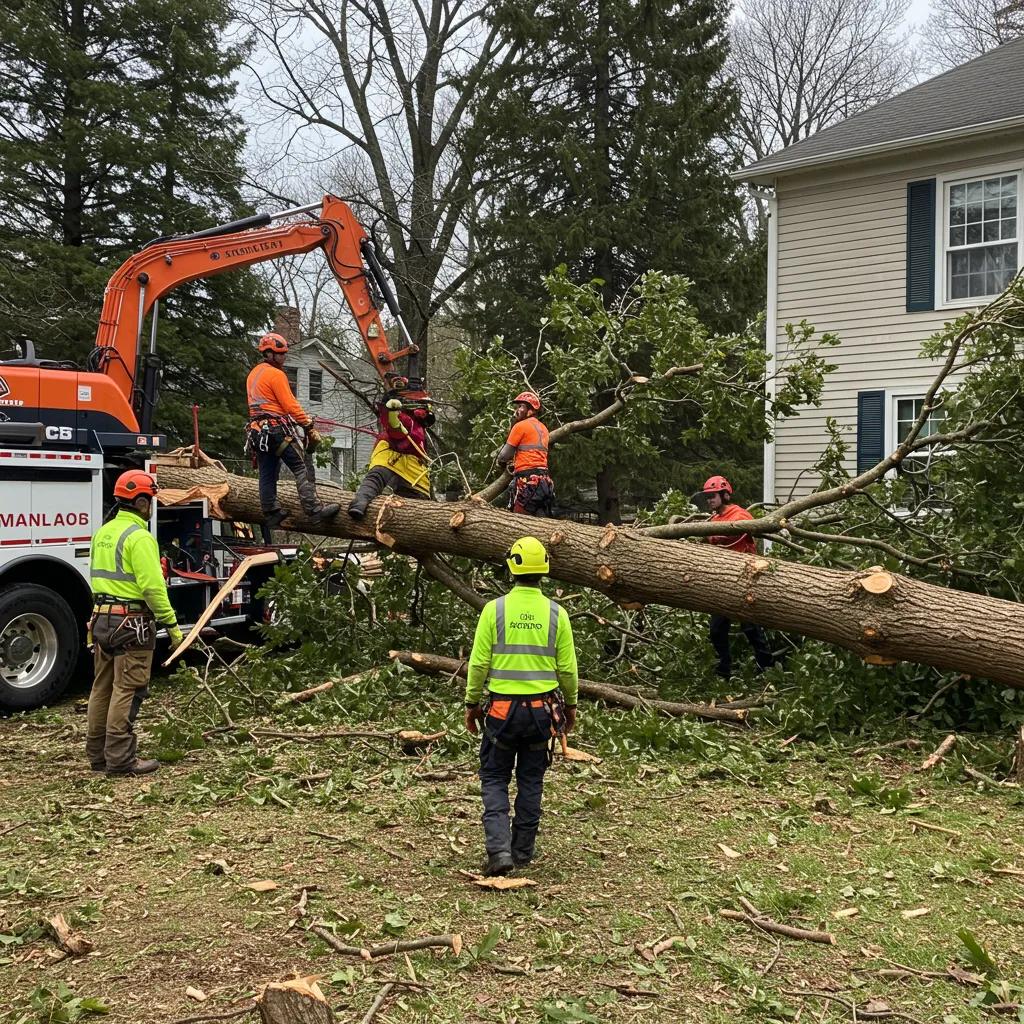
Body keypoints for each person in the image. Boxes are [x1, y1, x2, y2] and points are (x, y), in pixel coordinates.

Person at [464, 536, 579, 876]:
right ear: (544, 568)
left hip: (501, 711)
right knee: (531, 778)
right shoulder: (557, 614)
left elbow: (478, 663)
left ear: (512, 566)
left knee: (495, 777)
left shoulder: (494, 610)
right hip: (542, 711)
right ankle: (523, 850)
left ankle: (499, 851)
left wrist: (472, 702)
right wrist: (570, 706)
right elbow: (568, 669)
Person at [87, 470, 185, 776]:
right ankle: (120, 759)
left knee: (102, 687)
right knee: (127, 688)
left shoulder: (103, 533)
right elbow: (153, 588)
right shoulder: (139, 537)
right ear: (141, 502)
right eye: (151, 500)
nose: (152, 506)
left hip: (102, 618)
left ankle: (97, 754)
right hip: (132, 623)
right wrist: (172, 626)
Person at [245, 332, 340, 532]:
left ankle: (271, 513)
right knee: (301, 467)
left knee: (267, 472)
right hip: (275, 430)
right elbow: (290, 405)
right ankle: (314, 510)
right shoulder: (277, 375)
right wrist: (307, 425)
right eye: (281, 354)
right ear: (270, 354)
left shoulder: (254, 373)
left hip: (257, 432)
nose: (284, 357)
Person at [701, 475, 774, 679]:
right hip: (722, 580)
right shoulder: (713, 520)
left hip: (743, 577)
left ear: (725, 495)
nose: (709, 500)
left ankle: (766, 667)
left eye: (712, 496)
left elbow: (752, 532)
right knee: (717, 629)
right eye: (707, 497)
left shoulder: (739, 515)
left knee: (750, 626)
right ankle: (724, 670)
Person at [347, 391, 432, 520]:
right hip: (393, 459)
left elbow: (394, 426)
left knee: (377, 480)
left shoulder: (415, 425)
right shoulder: (410, 421)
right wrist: (390, 410)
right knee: (376, 479)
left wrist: (389, 409)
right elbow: (394, 426)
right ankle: (359, 504)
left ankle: (360, 503)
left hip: (407, 466)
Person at [497, 391, 555, 517]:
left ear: (530, 410)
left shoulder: (520, 426)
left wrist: (501, 463)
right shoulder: (544, 428)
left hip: (527, 481)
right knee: (541, 520)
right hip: (544, 481)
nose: (517, 410)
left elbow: (504, 455)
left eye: (520, 407)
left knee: (519, 519)